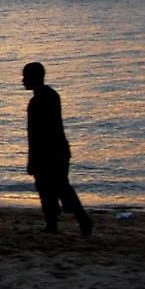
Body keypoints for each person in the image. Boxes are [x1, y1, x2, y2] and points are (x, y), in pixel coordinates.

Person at [21, 62, 91, 236]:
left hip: (51, 152)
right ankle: (56, 224)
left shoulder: (40, 100)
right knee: (49, 189)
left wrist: (33, 159)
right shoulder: (49, 96)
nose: (22, 81)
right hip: (55, 151)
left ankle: (80, 220)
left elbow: (37, 135)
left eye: (26, 77)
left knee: (58, 188)